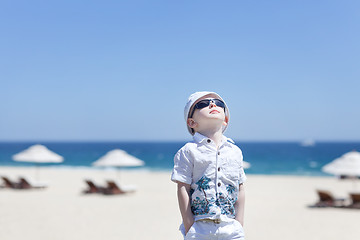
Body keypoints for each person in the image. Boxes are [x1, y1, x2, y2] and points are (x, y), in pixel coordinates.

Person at [171, 91, 247, 240]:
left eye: (219, 103)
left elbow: (241, 188)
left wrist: (239, 222)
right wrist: (189, 226)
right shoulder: (188, 151)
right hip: (200, 227)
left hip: (231, 226)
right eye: (203, 104)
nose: (212, 104)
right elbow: (183, 188)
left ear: (225, 119)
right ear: (192, 122)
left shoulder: (235, 151)